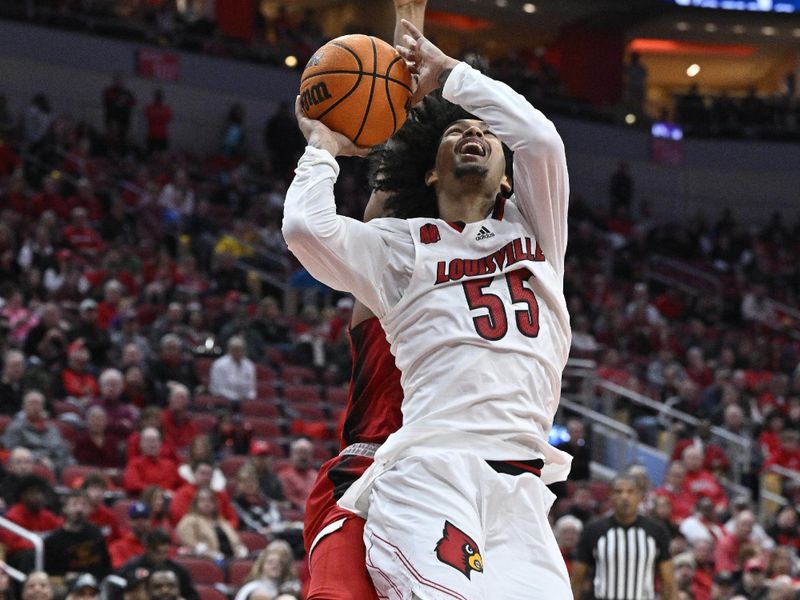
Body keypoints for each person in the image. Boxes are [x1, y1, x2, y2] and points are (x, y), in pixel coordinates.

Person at [284, 9, 573, 596]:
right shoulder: (401, 250)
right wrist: (323, 146)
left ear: (510, 179)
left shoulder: (537, 235)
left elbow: (540, 139)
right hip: (428, 467)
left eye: (486, 134)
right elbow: (310, 230)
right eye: (454, 133)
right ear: (430, 174)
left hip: (519, 486)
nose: (473, 135)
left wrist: (450, 73)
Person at [571, 473, 677, 600]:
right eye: (618, 492)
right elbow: (577, 579)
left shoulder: (657, 531)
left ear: (640, 497)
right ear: (610, 496)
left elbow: (668, 582)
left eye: (630, 492)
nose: (624, 497)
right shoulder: (593, 530)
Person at [43, 489, 111, 580]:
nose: (79, 509)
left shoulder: (96, 533)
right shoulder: (53, 540)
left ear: (90, 509)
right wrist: (63, 577)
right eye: (74, 504)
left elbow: (106, 566)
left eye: (84, 505)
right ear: (65, 508)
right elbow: (48, 574)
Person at [2, 390, 73, 472]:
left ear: (43, 407)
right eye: (32, 403)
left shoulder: (52, 429)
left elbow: (61, 450)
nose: (35, 407)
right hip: (30, 466)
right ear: (24, 407)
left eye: (38, 404)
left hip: (56, 465)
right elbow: (11, 451)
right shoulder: (15, 428)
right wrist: (38, 458)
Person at [118, 529, 198, 600]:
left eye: (165, 552)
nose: (162, 557)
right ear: (147, 549)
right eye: (158, 553)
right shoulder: (132, 568)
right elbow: (119, 592)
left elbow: (192, 595)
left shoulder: (178, 570)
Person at [175, 487, 248, 560]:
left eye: (210, 501)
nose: (206, 503)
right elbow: (189, 542)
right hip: (207, 559)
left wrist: (241, 549)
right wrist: (209, 553)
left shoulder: (222, 522)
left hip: (232, 558)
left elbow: (237, 541)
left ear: (215, 504)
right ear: (196, 503)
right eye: (202, 500)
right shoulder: (189, 520)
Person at [233, 542, 302, 600]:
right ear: (261, 566)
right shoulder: (253, 587)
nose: (275, 565)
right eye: (270, 562)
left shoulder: (287, 586)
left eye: (280, 563)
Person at [208, 335, 256, 404]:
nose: (238, 352)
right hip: (224, 400)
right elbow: (218, 389)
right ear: (229, 350)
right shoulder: (219, 365)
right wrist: (235, 397)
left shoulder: (249, 365)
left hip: (245, 400)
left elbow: (251, 388)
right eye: (235, 350)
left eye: (240, 349)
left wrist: (249, 397)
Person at [277, 438, 317, 511]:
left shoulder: (316, 476)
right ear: (292, 454)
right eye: (299, 452)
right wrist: (305, 505)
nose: (303, 457)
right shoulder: (284, 476)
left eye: (306, 453)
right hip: (295, 513)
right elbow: (289, 497)